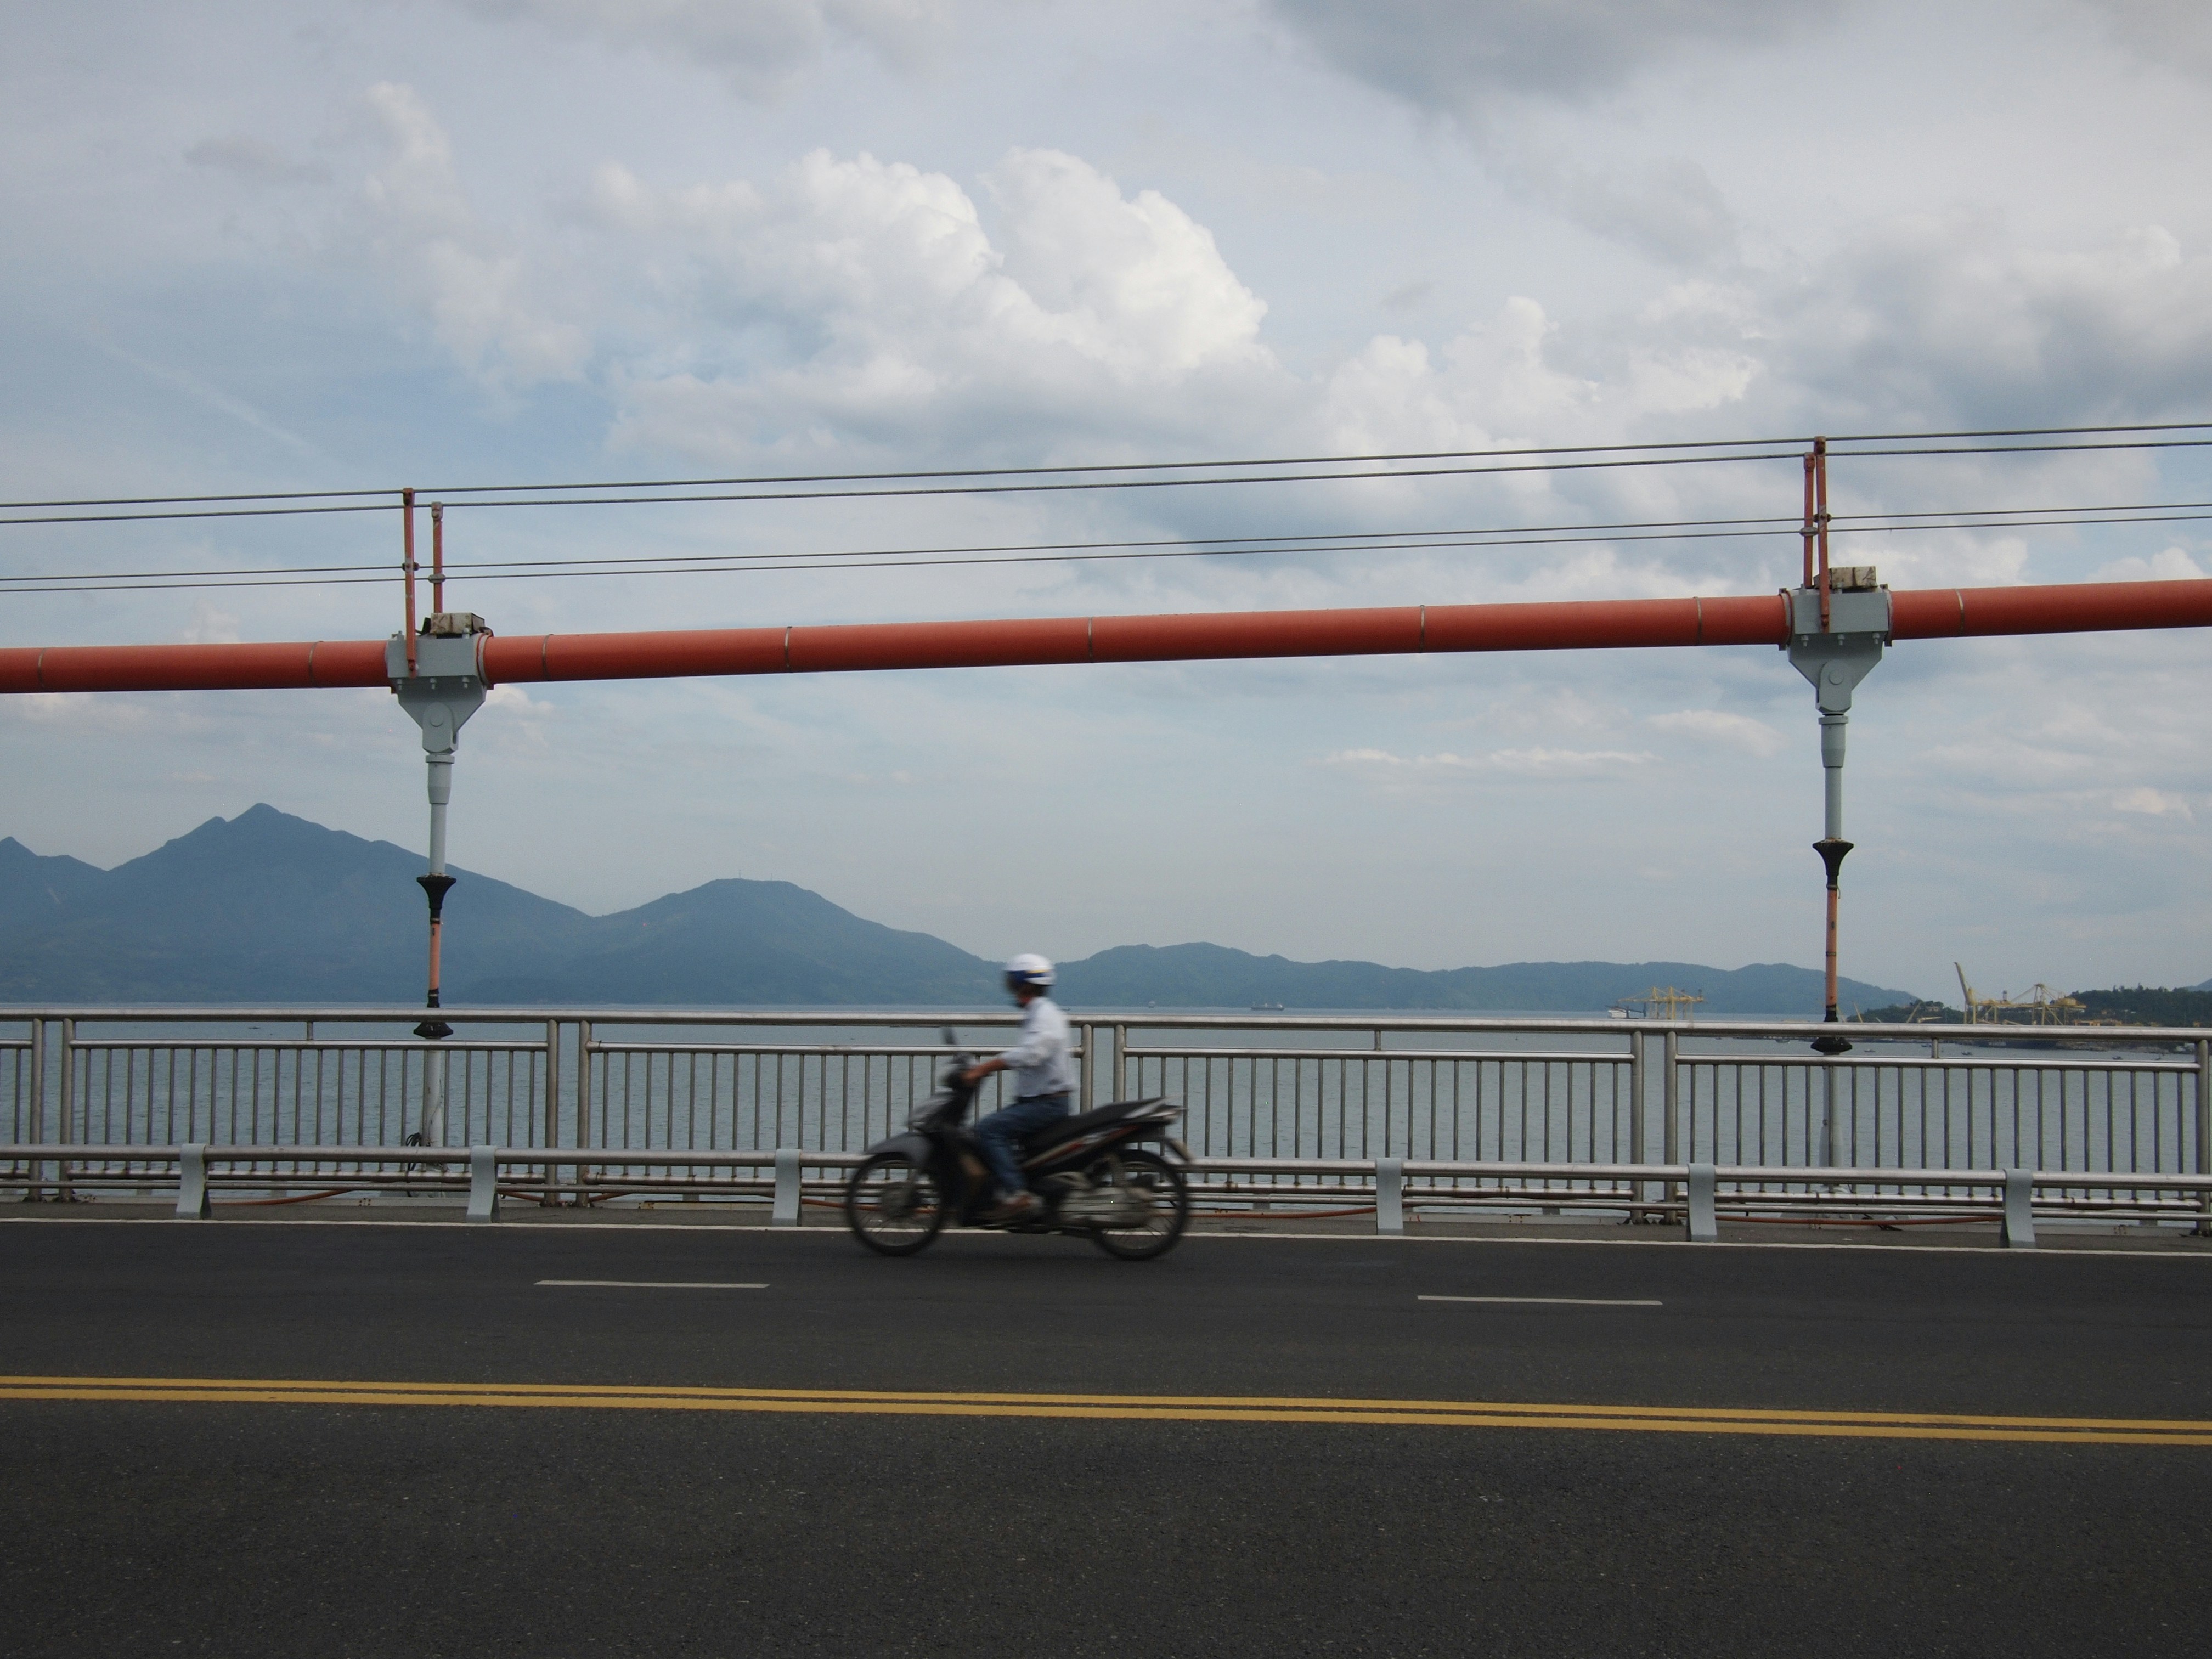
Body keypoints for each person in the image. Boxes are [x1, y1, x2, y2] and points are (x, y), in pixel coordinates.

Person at [964, 953, 1074, 1223]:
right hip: (1036, 1100)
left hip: (1047, 1104)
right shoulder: (1037, 1013)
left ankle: (1017, 1194)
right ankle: (1007, 1193)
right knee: (1000, 1134)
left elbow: (1031, 1054)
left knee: (989, 1131)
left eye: (1013, 982)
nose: (1011, 988)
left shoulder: (1045, 1015)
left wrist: (986, 1068)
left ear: (1025, 984)